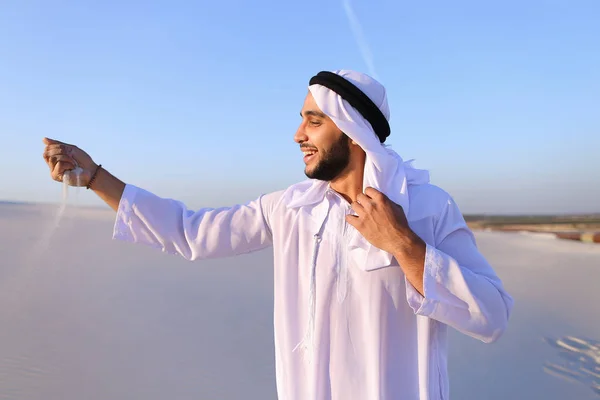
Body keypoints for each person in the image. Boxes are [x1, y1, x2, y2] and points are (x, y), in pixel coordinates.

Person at [42, 70, 513, 400]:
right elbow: (191, 233)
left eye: (313, 120)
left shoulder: (427, 207)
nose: (296, 134)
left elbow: (492, 315)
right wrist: (96, 177)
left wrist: (404, 244)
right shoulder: (290, 208)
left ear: (352, 130)